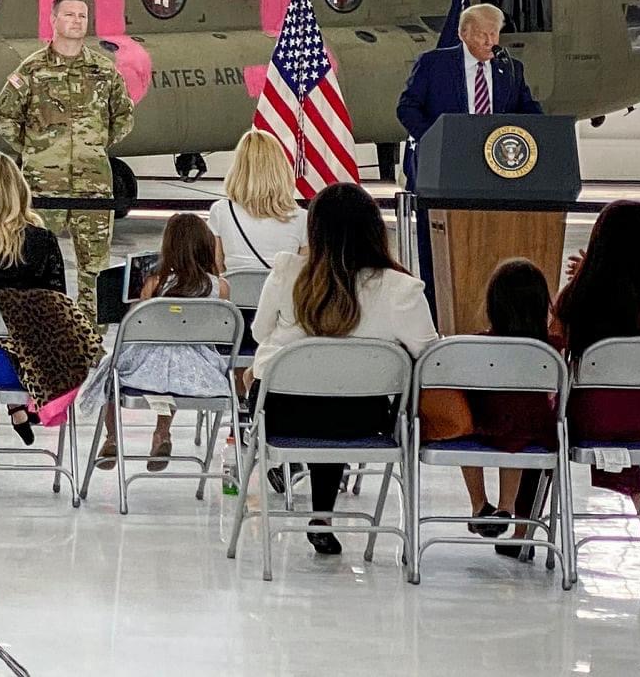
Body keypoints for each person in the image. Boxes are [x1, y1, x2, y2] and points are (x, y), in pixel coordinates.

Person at [250, 182, 439, 555]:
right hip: (363, 419)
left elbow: (258, 332)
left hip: (283, 414)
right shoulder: (401, 289)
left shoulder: (287, 273)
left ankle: (306, 495)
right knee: (339, 392)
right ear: (374, 229)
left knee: (308, 385)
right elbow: (429, 357)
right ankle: (321, 514)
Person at [0, 150, 101, 492]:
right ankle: (24, 416)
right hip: (36, 362)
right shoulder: (42, 241)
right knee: (7, 339)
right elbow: (58, 301)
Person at [552, 199, 640, 557]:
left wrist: (583, 280)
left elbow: (555, 347)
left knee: (556, 428)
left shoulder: (578, 296)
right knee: (614, 434)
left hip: (589, 417)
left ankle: (524, 524)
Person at [0, 0, 136, 311]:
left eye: (82, 16)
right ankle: (40, 335)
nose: (76, 21)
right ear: (53, 20)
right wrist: (37, 151)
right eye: (69, 15)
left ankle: (90, 345)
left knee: (95, 268)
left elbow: (124, 117)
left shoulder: (104, 70)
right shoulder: (31, 70)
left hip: (93, 186)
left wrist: (93, 146)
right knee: (34, 263)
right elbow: (4, 116)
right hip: (43, 185)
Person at [395, 2, 543, 290]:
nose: (491, 42)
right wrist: (437, 141)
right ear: (463, 33)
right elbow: (407, 108)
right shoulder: (433, 64)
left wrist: (545, 130)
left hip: (495, 176)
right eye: (483, 35)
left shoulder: (510, 69)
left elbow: (529, 112)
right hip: (442, 175)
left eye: (495, 34)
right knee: (438, 255)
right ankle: (438, 317)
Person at [83, 212, 231, 472]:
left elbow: (135, 328)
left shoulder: (155, 283)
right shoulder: (220, 287)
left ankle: (112, 436)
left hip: (146, 370)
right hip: (198, 371)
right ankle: (162, 434)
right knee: (169, 381)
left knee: (111, 371)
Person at [456, 259, 560, 557]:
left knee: (468, 432)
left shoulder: (477, 344)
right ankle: (507, 506)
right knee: (517, 436)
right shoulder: (550, 348)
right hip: (535, 430)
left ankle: (479, 503)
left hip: (483, 425)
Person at [208, 129, 307, 275]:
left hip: (236, 295)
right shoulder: (302, 218)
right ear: (280, 168)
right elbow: (304, 274)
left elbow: (216, 267)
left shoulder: (221, 211)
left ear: (239, 168)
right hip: (281, 296)